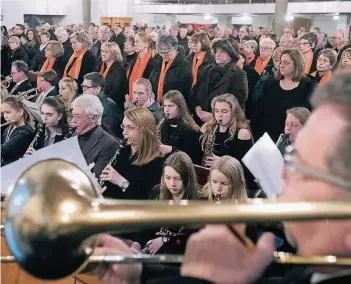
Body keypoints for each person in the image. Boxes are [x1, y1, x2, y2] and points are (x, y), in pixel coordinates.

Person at [132, 152, 200, 255]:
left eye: (177, 178)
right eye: (167, 178)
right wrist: (136, 244)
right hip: (151, 246)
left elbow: (189, 240)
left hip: (174, 253)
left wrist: (165, 240)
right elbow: (147, 223)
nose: (172, 184)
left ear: (187, 178)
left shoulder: (198, 201)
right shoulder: (157, 191)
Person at [251, 49, 316, 142]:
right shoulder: (270, 83)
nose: (281, 65)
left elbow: (311, 115)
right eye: (281, 62)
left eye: (286, 63)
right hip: (268, 137)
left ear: (297, 65)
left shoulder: (308, 86)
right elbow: (258, 112)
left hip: (295, 139)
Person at [100, 107, 164, 200]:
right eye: (123, 126)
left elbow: (146, 199)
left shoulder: (157, 161)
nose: (124, 132)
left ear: (144, 130)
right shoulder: (122, 152)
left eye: (130, 127)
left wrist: (120, 181)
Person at [200, 93, 257, 194]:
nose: (219, 115)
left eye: (224, 111)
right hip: (213, 181)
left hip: (233, 185)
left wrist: (223, 162)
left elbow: (247, 168)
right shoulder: (210, 128)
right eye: (216, 111)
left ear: (234, 113)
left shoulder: (242, 133)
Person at [190, 38, 248, 124]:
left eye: (222, 51)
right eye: (217, 51)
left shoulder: (239, 74)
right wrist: (198, 110)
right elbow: (194, 92)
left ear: (231, 54)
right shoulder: (208, 69)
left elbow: (238, 102)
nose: (217, 54)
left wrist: (214, 116)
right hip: (201, 120)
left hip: (224, 123)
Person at [70, 94, 119, 176]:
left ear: (94, 117)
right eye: (73, 116)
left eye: (78, 116)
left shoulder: (109, 143)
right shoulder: (72, 134)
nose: (73, 121)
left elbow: (96, 176)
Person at [158, 90, 202, 165]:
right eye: (165, 106)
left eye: (170, 106)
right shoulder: (164, 125)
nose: (167, 110)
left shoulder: (189, 130)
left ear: (179, 107)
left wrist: (171, 150)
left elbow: (192, 157)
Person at [149, 34, 193, 104]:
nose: (163, 55)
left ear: (175, 48)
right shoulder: (158, 61)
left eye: (166, 52)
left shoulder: (184, 65)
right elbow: (151, 80)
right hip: (156, 104)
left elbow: (184, 91)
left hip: (174, 105)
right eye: (161, 52)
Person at [81, 72, 122, 137]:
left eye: (86, 87)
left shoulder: (108, 106)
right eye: (82, 86)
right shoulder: (90, 101)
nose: (83, 89)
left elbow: (107, 133)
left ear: (97, 89)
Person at [1, 96, 34, 166]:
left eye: (8, 112)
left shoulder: (25, 133)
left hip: (16, 170)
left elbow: (3, 149)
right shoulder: (8, 129)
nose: (5, 116)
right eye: (3, 113)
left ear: (20, 112)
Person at [98, 42, 127, 112]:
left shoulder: (119, 69)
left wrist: (103, 100)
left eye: (106, 52)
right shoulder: (103, 66)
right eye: (102, 51)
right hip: (103, 103)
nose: (103, 54)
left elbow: (116, 90)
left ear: (114, 54)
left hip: (113, 106)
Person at [127, 32, 155, 102]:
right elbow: (127, 82)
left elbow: (151, 86)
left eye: (137, 42)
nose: (135, 44)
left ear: (146, 44)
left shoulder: (152, 63)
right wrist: (127, 100)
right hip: (131, 101)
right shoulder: (134, 61)